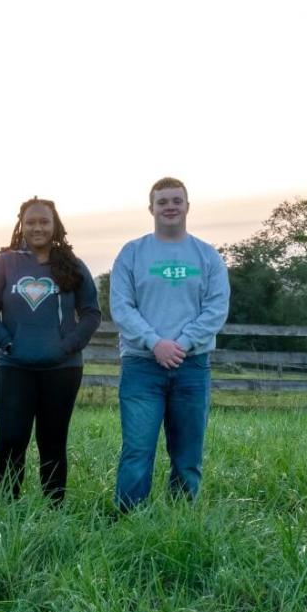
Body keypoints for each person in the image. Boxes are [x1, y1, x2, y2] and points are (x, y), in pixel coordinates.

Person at [111, 177, 229, 511]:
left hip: (192, 366)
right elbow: (122, 307)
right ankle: (128, 519)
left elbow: (216, 308)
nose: (170, 207)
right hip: (141, 366)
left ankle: (180, 519)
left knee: (188, 454)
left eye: (176, 200)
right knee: (137, 451)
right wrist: (154, 343)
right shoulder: (132, 253)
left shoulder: (207, 256)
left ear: (187, 206)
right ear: (151, 208)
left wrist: (183, 343)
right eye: (162, 202)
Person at [0, 197, 101, 506]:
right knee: (11, 440)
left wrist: (67, 346)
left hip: (62, 368)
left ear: (55, 225)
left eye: (44, 221)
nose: (37, 227)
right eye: (31, 222)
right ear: (21, 224)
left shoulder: (72, 265)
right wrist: (6, 341)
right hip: (14, 365)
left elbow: (91, 313)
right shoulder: (4, 263)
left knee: (53, 441)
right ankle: (8, 507)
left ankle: (53, 508)